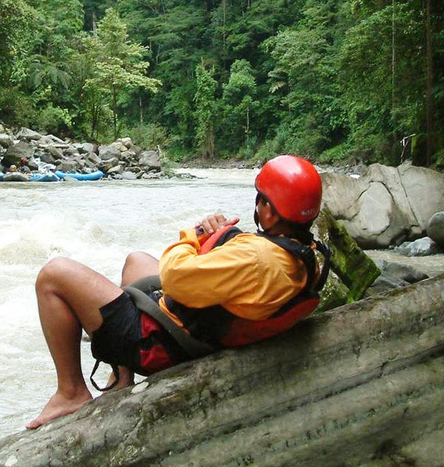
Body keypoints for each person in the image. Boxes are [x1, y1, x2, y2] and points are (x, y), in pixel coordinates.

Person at [26, 155, 329, 429]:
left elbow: (174, 277)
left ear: (270, 213)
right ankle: (121, 377)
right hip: (200, 327)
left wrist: (194, 236)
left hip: (161, 344)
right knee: (137, 260)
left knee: (53, 275)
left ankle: (71, 391)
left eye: (261, 199)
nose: (258, 204)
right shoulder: (304, 256)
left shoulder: (257, 259)